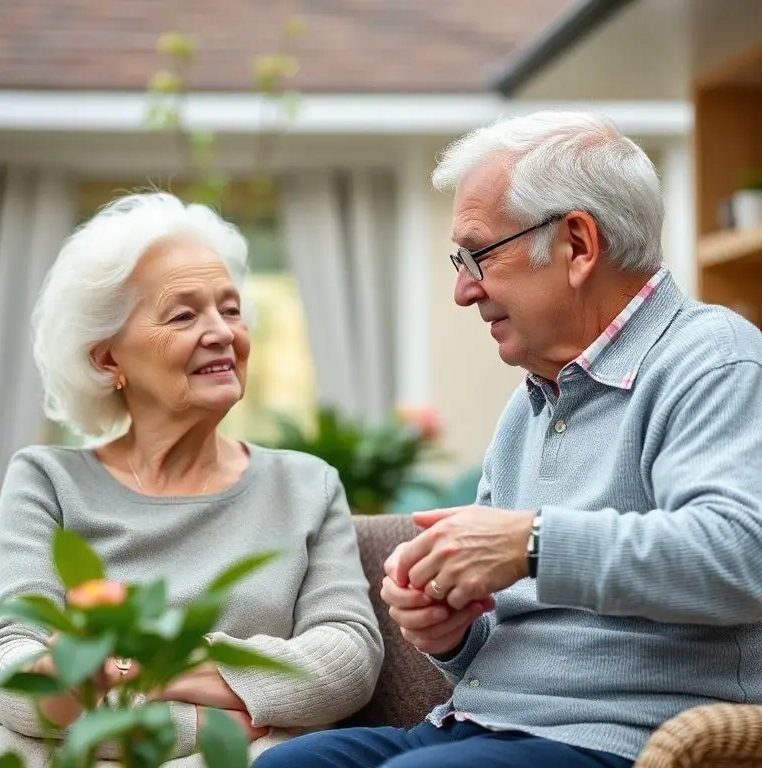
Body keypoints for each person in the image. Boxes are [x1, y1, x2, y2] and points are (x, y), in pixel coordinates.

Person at [255, 110, 762, 768]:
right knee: (283, 765)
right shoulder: (528, 404)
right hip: (480, 724)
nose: (464, 291)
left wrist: (531, 542)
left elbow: (742, 556)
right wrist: (452, 633)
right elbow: (512, 631)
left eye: (478, 255)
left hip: (622, 736)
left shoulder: (713, 360)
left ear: (578, 245)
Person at [0, 192, 384, 765]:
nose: (223, 332)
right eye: (184, 315)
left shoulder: (306, 486)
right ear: (107, 359)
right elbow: (15, 674)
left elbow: (346, 661)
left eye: (230, 309)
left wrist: (132, 671)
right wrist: (208, 723)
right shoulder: (47, 479)